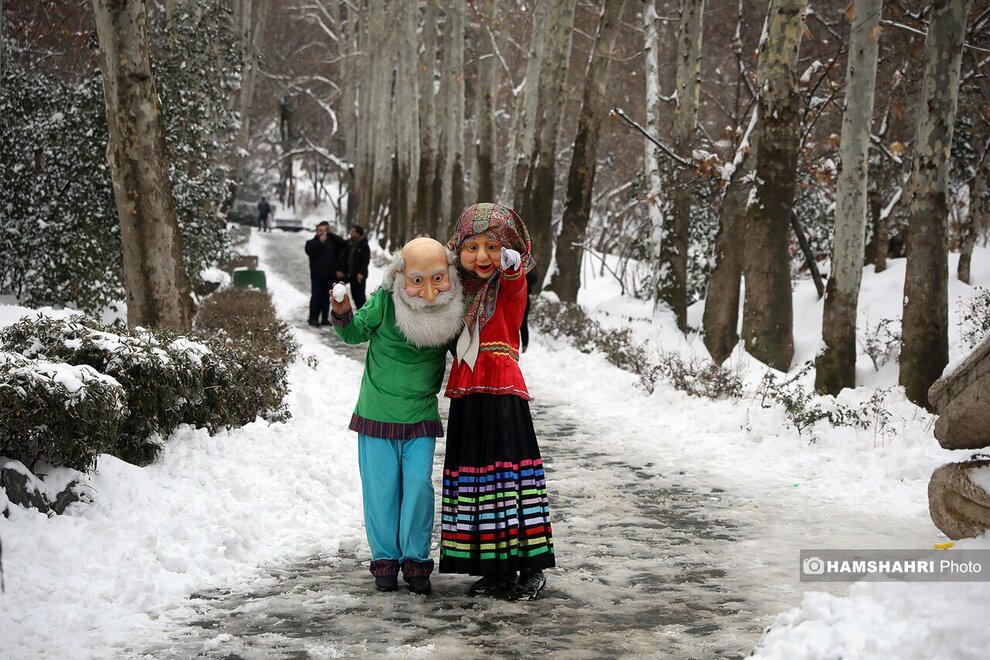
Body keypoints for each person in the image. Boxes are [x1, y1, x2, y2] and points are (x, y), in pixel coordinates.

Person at [330, 237, 465, 596]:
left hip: (419, 415)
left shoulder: (453, 312)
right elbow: (354, 332)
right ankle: (386, 561)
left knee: (419, 487)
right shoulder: (386, 303)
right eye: (417, 280)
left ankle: (416, 561)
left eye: (438, 278)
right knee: (382, 491)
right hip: (377, 414)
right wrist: (342, 308)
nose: (429, 290)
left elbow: (468, 351)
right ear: (401, 276)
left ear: (450, 274)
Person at [440, 202, 556, 601]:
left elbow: (515, 282)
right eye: (472, 247)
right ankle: (494, 568)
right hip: (468, 392)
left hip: (503, 392)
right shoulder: (456, 291)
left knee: (507, 480)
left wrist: (512, 265)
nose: (482, 256)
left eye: (493, 246)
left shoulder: (509, 287)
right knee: (475, 481)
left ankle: (529, 567)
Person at [305, 221, 346, 326]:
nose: (322, 232)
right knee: (316, 296)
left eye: (324, 230)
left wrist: (331, 234)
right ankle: (313, 318)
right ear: (316, 231)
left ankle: (324, 318)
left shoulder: (332, 242)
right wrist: (319, 242)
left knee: (325, 297)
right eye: (320, 230)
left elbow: (342, 244)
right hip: (316, 274)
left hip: (329, 275)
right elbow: (310, 252)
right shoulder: (311, 243)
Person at [346, 225, 371, 310]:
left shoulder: (364, 245)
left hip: (359, 276)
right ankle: (360, 313)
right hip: (352, 274)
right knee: (354, 296)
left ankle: (365, 315)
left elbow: (365, 260)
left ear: (358, 233)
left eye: (353, 232)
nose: (351, 233)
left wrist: (361, 272)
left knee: (360, 296)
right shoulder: (351, 244)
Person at [519, 265, 540, 353]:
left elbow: (534, 278)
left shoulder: (527, 260)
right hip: (509, 296)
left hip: (524, 295)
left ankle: (524, 345)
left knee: (523, 322)